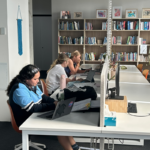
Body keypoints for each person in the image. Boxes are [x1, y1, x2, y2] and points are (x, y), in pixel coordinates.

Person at [6, 64, 80, 150]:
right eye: (35, 79)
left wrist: (55, 102)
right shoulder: (19, 89)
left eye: (38, 78)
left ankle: (74, 146)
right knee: (59, 125)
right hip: (25, 120)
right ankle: (72, 148)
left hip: (33, 115)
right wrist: (53, 105)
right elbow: (32, 108)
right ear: (26, 78)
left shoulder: (31, 84)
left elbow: (43, 97)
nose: (38, 81)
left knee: (61, 119)